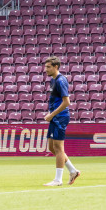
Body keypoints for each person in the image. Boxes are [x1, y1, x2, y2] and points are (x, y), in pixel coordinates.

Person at [43, 56, 80, 186]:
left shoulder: (60, 81)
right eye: (45, 66)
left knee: (58, 148)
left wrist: (52, 114)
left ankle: (58, 180)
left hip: (60, 117)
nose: (45, 69)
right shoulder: (52, 81)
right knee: (52, 148)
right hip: (55, 117)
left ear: (56, 67)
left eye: (48, 67)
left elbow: (67, 102)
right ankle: (73, 170)